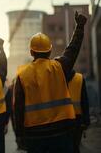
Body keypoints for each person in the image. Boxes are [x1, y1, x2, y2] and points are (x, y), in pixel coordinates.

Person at [13, 11, 87, 153]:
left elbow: (18, 109)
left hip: (35, 136)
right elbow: (72, 50)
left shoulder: (22, 75)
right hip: (63, 132)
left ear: (31, 52)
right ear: (50, 50)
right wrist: (80, 27)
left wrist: (20, 136)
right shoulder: (59, 67)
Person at [67, 70, 90, 153]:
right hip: (77, 119)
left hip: (61, 119)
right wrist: (86, 121)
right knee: (75, 146)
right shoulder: (79, 78)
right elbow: (84, 101)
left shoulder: (56, 78)